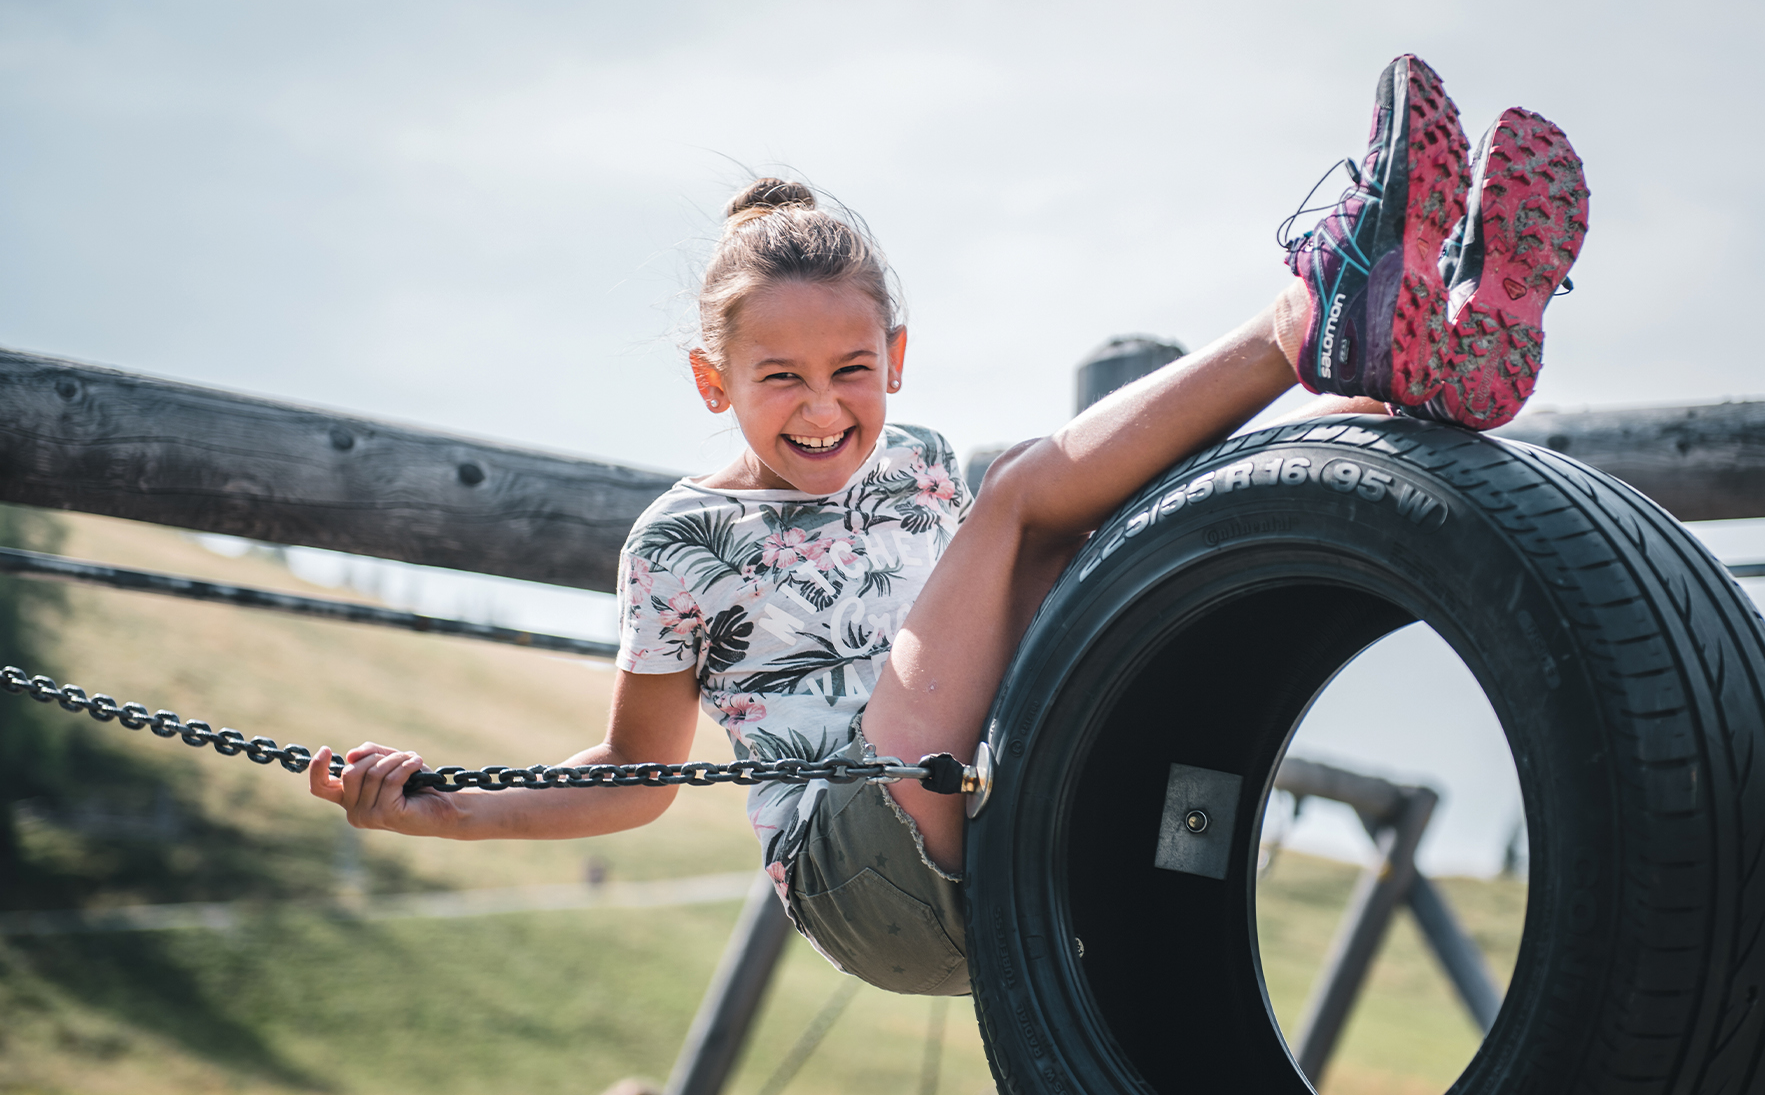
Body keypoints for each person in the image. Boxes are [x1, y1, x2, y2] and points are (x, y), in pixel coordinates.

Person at [309, 55, 1587, 997]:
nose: (823, 409)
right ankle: (1308, 322)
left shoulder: (915, 466)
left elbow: (1007, 598)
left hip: (1001, 809)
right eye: (780, 379)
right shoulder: (682, 542)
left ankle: (1393, 369)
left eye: (852, 368)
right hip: (865, 874)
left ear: (897, 355)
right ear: (716, 384)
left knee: (1107, 531)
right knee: (1028, 493)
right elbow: (630, 776)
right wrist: (442, 807)